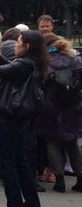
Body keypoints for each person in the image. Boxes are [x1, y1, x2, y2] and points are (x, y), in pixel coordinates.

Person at [0, 30, 47, 207]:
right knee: (20, 160)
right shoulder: (33, 62)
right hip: (21, 117)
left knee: (7, 163)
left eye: (19, 42)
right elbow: (10, 69)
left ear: (27, 46)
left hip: (10, 116)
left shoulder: (25, 63)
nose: (16, 45)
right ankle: (32, 205)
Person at [35, 33, 82, 193]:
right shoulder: (75, 59)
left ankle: (59, 180)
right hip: (73, 107)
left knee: (52, 141)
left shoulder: (44, 61)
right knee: (72, 142)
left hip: (51, 105)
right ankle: (80, 178)